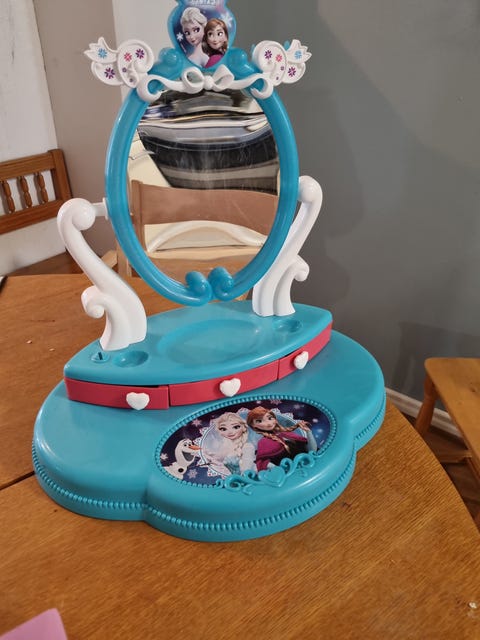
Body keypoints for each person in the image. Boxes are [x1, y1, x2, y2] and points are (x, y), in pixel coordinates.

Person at [247, 406, 317, 472]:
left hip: (309, 466)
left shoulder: (287, 434)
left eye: (270, 418)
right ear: (253, 425)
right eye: (259, 421)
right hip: (290, 474)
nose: (268, 423)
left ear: (275, 418)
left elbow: (312, 450)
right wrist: (279, 470)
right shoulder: (263, 442)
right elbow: (263, 464)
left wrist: (309, 432)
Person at [203, 412, 256, 476]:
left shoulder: (247, 446)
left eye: (236, 427)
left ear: (243, 428)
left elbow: (247, 471)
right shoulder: (225, 447)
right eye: (223, 429)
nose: (230, 432)